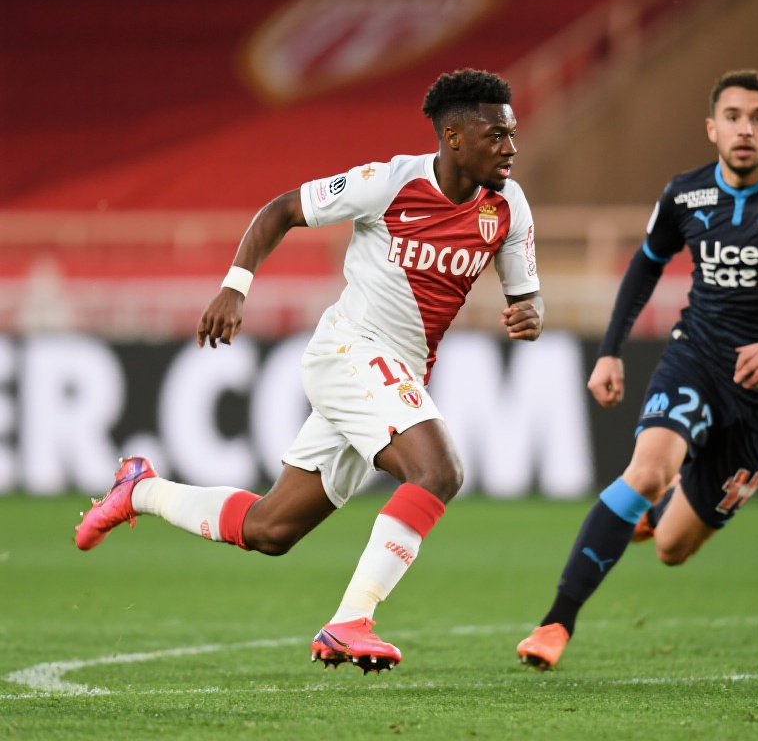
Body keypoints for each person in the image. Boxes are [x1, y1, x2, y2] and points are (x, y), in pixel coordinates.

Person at [74, 68, 544, 674]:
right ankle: (351, 622)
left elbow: (525, 295)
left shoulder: (508, 206)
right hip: (350, 351)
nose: (510, 147)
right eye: (496, 135)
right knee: (438, 471)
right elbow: (282, 210)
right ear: (453, 138)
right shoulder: (388, 183)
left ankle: (139, 490)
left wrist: (529, 313)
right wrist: (234, 287)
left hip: (397, 373)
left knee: (271, 529)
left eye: (512, 134)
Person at [516, 69, 758, 670]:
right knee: (648, 471)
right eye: (733, 117)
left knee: (672, 547)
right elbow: (646, 264)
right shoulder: (686, 194)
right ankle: (556, 622)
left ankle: (656, 513)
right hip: (697, 358)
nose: (745, 129)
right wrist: (610, 350)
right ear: (712, 128)